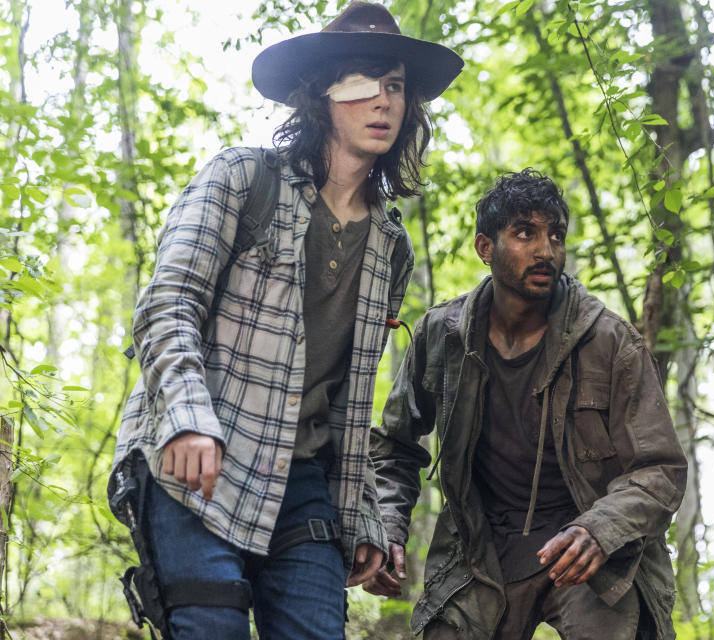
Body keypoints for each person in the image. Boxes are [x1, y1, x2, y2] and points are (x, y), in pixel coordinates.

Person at [107, 3, 462, 638]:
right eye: (362, 80)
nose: (383, 99)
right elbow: (167, 303)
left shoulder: (391, 246)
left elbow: (352, 399)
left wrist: (367, 520)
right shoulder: (243, 179)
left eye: (397, 85)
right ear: (321, 94)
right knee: (208, 626)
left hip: (301, 481)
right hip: (200, 458)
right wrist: (188, 416)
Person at [365, 169, 688, 640]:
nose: (545, 250)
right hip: (481, 553)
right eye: (525, 233)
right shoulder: (443, 335)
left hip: (588, 554)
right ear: (485, 248)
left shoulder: (610, 342)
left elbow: (661, 470)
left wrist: (600, 529)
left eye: (555, 234)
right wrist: (388, 529)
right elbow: (394, 447)